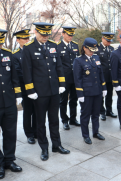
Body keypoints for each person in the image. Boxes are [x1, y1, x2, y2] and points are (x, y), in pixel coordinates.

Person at [22, 22, 70, 161]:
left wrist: (61, 84)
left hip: (54, 90)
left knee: (54, 120)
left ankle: (57, 145)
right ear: (36, 32)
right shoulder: (29, 48)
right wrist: (30, 90)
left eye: (47, 34)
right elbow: (27, 72)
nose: (45, 36)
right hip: (39, 92)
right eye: (42, 34)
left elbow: (58, 66)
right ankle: (44, 147)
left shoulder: (53, 45)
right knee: (40, 122)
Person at [0, 28, 23, 179]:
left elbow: (14, 77)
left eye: (0, 43)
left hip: (9, 102)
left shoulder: (7, 54)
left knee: (10, 133)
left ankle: (9, 160)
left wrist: (18, 95)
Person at [73, 38, 107, 144]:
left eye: (94, 49)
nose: (92, 52)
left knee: (96, 113)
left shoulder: (96, 57)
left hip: (97, 91)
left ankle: (96, 132)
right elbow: (77, 79)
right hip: (86, 93)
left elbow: (100, 74)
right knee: (85, 115)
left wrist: (104, 87)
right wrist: (80, 94)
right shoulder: (78, 60)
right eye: (90, 49)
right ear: (84, 48)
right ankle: (86, 135)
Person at [12, 29, 37, 144]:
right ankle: (29, 134)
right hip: (25, 88)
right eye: (24, 39)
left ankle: (36, 131)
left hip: (37, 87)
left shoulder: (33, 50)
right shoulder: (15, 55)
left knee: (37, 110)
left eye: (28, 38)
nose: (27, 40)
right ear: (18, 40)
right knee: (28, 111)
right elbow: (18, 73)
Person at [57, 26, 80, 130]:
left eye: (72, 35)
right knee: (63, 101)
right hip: (64, 79)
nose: (70, 37)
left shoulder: (75, 45)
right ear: (63, 34)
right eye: (68, 35)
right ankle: (64, 120)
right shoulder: (57, 47)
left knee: (74, 99)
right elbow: (57, 65)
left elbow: (78, 62)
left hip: (74, 78)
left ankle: (73, 118)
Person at [95, 32, 117, 121]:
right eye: (107, 41)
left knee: (109, 94)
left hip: (110, 76)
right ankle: (102, 112)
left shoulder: (111, 49)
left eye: (110, 41)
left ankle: (109, 110)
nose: (109, 43)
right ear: (102, 39)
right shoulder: (97, 49)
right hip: (101, 76)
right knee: (101, 95)